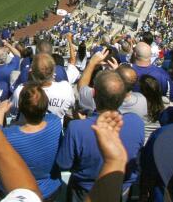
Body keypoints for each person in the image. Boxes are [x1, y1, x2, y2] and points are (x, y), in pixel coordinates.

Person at [57, 69, 144, 201]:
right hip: (123, 189)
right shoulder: (137, 122)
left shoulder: (76, 128)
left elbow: (64, 164)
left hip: (83, 192)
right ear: (123, 96)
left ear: (94, 93)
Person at [0, 84, 63, 201]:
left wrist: (0, 111)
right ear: (45, 106)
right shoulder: (55, 122)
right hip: (50, 190)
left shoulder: (9, 135)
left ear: (21, 107)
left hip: (17, 193)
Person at [13, 53, 74, 119]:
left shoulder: (20, 92)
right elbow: (71, 105)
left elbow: (14, 112)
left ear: (31, 71)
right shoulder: (66, 88)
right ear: (54, 71)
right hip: (56, 127)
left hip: (31, 127)